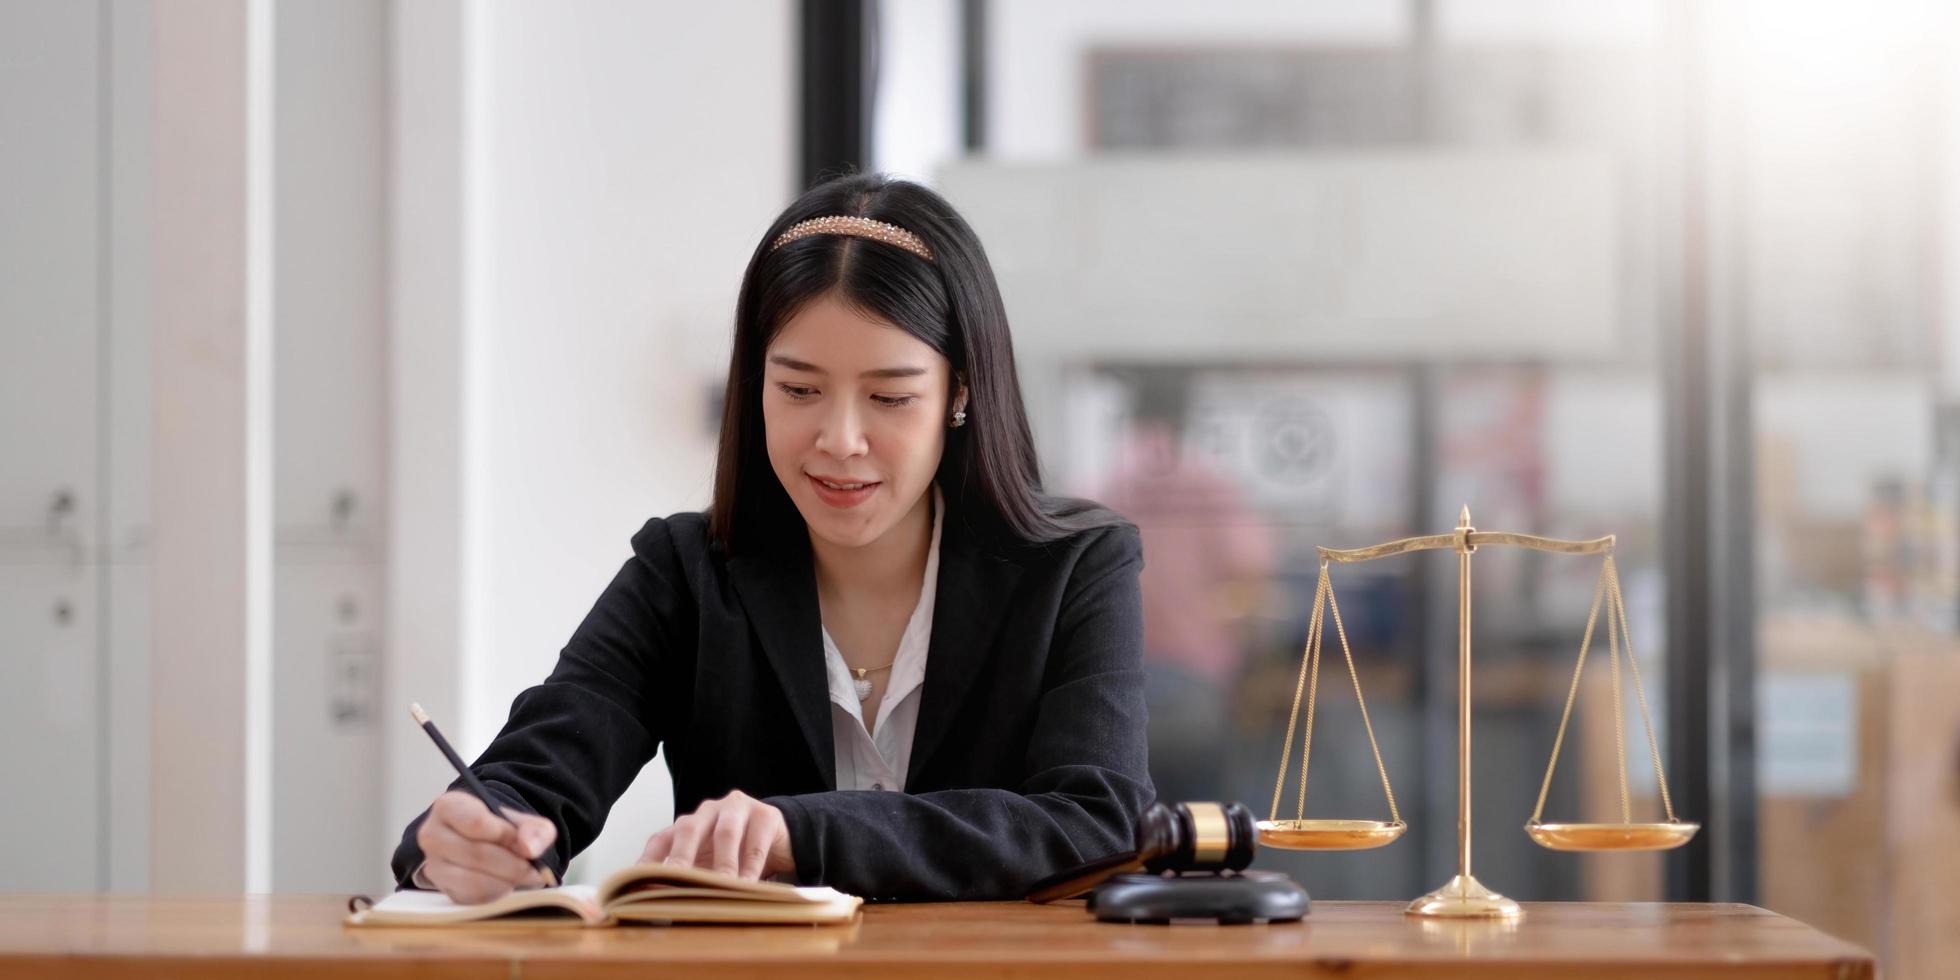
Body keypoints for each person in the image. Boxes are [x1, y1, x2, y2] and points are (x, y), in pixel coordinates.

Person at [391, 173, 1153, 903]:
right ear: (753, 382)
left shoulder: (1075, 568)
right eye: (797, 390)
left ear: (959, 392)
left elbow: (1099, 822)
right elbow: (533, 778)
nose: (840, 440)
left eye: (890, 396)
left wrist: (800, 829)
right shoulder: (683, 575)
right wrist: (469, 841)